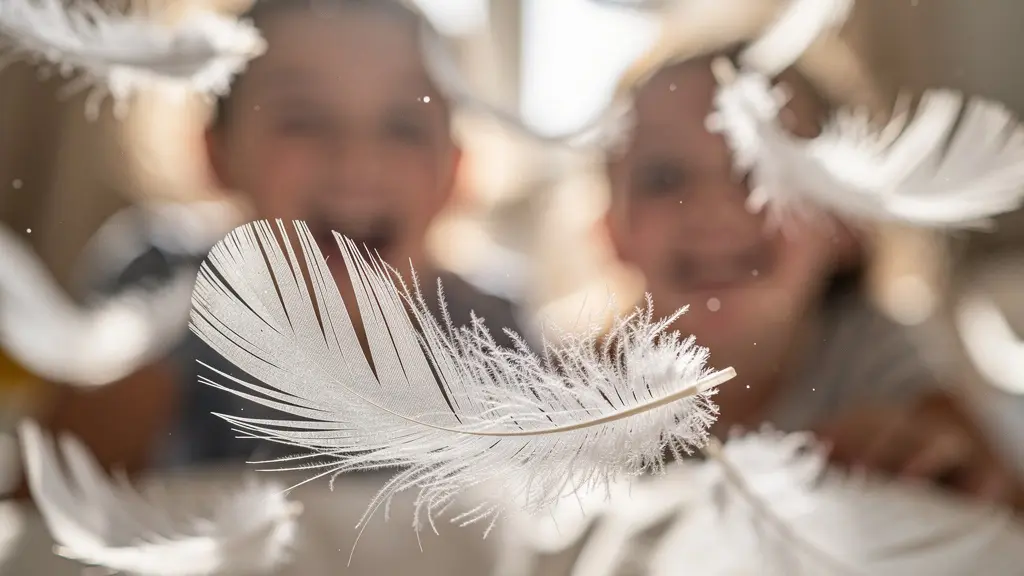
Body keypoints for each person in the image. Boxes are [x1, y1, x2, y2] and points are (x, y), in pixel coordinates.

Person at [602, 31, 1023, 504]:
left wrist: (946, 466)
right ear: (611, 230)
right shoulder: (574, 390)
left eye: (762, 169)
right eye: (664, 178)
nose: (714, 210)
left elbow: (1000, 496)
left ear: (845, 222)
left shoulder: (873, 354)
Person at [162, 0, 525, 466]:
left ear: (454, 172)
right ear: (218, 153)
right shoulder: (161, 296)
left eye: (403, 127)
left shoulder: (493, 332)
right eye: (303, 120)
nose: (356, 163)